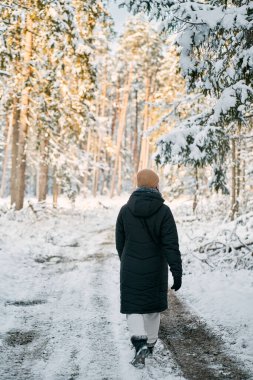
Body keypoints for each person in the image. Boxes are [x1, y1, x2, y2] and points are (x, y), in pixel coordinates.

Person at [115, 169, 182, 369]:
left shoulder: (125, 210)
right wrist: (176, 272)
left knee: (133, 307)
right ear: (155, 185)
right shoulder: (164, 211)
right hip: (155, 267)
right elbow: (171, 245)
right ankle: (150, 345)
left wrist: (126, 261)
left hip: (130, 266)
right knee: (153, 308)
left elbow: (120, 242)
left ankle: (139, 343)